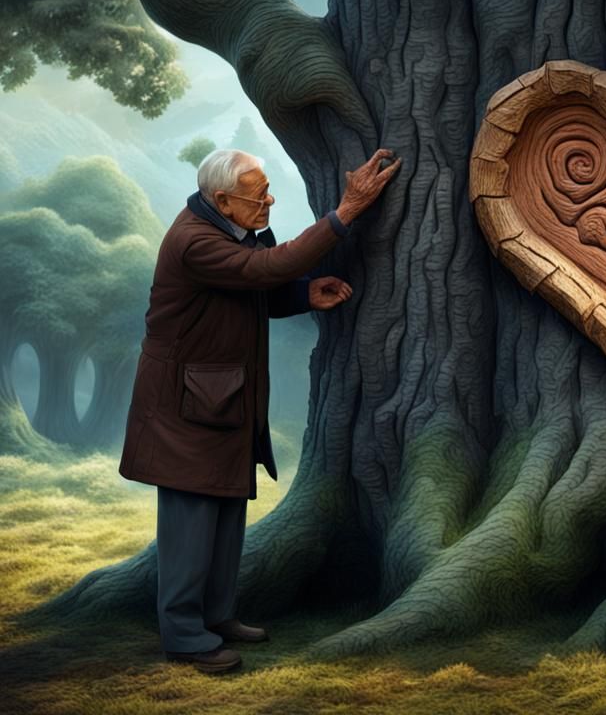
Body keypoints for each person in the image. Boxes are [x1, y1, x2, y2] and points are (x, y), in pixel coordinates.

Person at [118, 147, 402, 672]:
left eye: (268, 189)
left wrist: (300, 295)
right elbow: (264, 268)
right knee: (190, 523)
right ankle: (182, 635)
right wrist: (346, 213)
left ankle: (218, 616)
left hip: (219, 397)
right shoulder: (193, 240)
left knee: (226, 512)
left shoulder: (228, 227)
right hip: (185, 407)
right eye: (259, 194)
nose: (269, 200)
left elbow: (251, 288)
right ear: (223, 200)